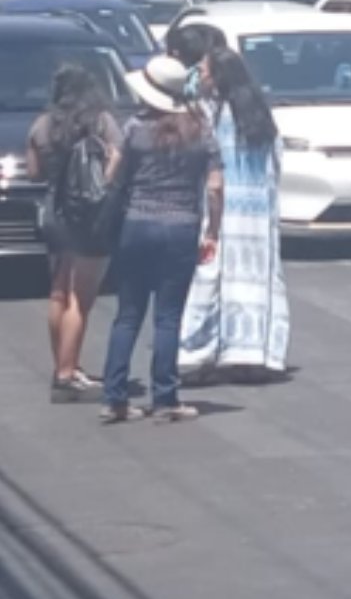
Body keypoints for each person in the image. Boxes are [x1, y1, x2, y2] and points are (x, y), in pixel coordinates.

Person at [101, 57, 224, 424]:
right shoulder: (201, 129)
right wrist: (212, 231)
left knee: (127, 315)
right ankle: (166, 397)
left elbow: (111, 176)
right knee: (168, 317)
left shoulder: (134, 127)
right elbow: (215, 187)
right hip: (181, 226)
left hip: (136, 223)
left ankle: (115, 397)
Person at [178, 45, 290, 381]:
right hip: (258, 214)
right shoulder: (260, 115)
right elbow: (276, 162)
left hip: (223, 210)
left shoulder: (210, 114)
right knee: (257, 283)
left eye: (204, 71)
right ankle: (255, 355)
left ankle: (201, 352)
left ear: (218, 77)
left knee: (212, 280)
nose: (200, 76)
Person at [28, 65, 122, 403]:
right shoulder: (101, 122)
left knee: (58, 292)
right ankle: (67, 374)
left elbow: (35, 171)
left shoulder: (42, 125)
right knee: (81, 298)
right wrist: (102, 182)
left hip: (55, 211)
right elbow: (117, 161)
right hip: (90, 214)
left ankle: (64, 365)